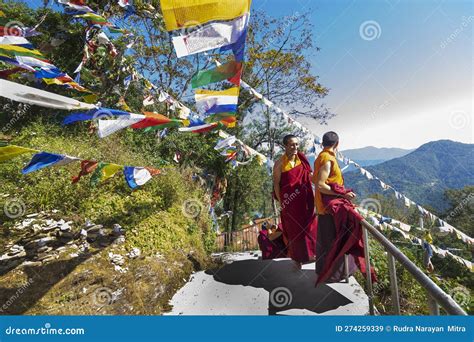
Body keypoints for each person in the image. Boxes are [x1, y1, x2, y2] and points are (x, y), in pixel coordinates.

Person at [273, 135, 317, 269]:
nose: (295, 147)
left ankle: (311, 254)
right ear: (285, 146)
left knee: (310, 226)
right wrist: (281, 202)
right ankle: (297, 258)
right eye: (292, 145)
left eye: (297, 144)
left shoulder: (302, 160)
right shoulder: (280, 163)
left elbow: (309, 176)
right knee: (294, 231)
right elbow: (276, 184)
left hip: (305, 200)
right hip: (290, 203)